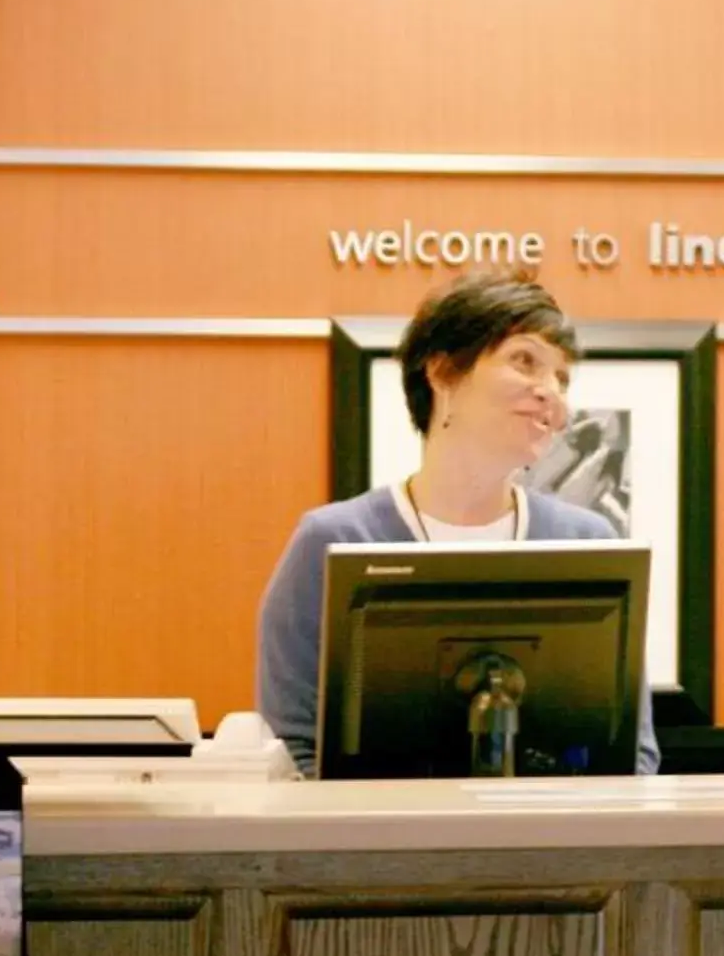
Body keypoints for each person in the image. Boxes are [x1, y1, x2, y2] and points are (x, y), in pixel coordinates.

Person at [255, 271, 657, 775]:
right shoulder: (333, 540)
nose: (549, 392)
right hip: (371, 850)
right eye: (525, 360)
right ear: (443, 372)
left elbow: (633, 754)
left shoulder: (588, 540)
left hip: (551, 849)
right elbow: (291, 749)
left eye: (561, 377)